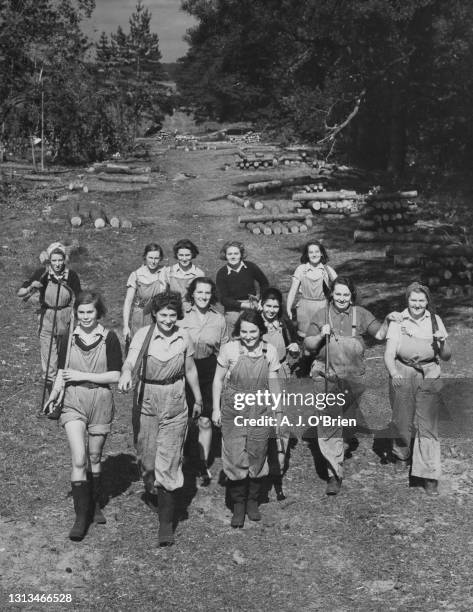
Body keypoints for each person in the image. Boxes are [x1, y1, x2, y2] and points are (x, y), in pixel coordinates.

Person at [118, 290, 203, 546]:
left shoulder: (184, 336)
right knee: (147, 459)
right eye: (163, 314)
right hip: (147, 398)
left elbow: (189, 368)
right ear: (154, 314)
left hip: (175, 398)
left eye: (172, 315)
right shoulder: (144, 335)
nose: (168, 319)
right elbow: (130, 361)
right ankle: (152, 490)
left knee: (169, 462)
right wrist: (125, 373)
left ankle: (165, 525)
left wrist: (198, 397)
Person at [304, 277, 397, 496]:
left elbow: (381, 335)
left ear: (351, 296)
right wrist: (320, 335)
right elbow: (308, 345)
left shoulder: (361, 314)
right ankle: (334, 474)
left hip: (353, 377)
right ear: (331, 295)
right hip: (325, 374)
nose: (342, 298)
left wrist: (388, 320)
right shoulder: (322, 314)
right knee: (329, 422)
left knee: (348, 419)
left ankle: (342, 444)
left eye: (346, 295)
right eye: (338, 294)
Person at [44, 292, 122, 541]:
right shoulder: (68, 336)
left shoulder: (109, 337)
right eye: (82, 312)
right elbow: (61, 370)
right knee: (79, 459)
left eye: (90, 312)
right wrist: (55, 393)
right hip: (73, 401)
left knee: (95, 456)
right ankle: (81, 517)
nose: (86, 317)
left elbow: (116, 376)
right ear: (76, 313)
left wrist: (82, 376)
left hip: (100, 399)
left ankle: (95, 502)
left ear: (98, 313)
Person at [212, 310, 281, 528]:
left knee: (257, 454)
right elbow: (217, 381)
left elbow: (274, 383)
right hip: (234, 409)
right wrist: (215, 408)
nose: (248, 336)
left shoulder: (269, 351)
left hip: (260, 409)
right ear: (238, 331)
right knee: (234, 455)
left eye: (253, 331)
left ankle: (253, 501)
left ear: (261, 331)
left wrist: (277, 412)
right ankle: (238, 505)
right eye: (244, 331)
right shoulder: (230, 349)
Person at [384, 281, 451, 495]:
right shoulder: (398, 319)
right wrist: (394, 373)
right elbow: (389, 353)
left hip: (430, 372)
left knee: (428, 424)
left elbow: (447, 356)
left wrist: (442, 343)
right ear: (407, 300)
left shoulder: (435, 320)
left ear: (427, 301)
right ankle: (401, 453)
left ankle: (429, 473)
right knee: (402, 418)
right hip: (403, 371)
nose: (417, 304)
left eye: (422, 300)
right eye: (413, 299)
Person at [180, 277, 229, 486]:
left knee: (205, 419)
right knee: (182, 417)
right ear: (192, 293)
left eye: (207, 293)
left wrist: (225, 375)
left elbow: (224, 350)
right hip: (183, 368)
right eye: (199, 292)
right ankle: (177, 461)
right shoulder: (181, 314)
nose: (203, 296)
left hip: (208, 369)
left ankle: (202, 464)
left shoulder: (219, 319)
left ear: (212, 295)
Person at [18, 242, 81, 398]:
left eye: (60, 260)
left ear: (64, 260)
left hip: (65, 320)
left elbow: (79, 298)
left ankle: (63, 396)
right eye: (54, 261)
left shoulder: (71, 275)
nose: (57, 264)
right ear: (49, 261)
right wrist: (31, 287)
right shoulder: (42, 273)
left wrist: (78, 319)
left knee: (64, 359)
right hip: (46, 319)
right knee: (49, 363)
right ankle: (51, 399)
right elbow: (20, 293)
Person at [260, 287, 300, 500]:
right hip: (257, 375)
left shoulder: (285, 325)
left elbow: (296, 351)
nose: (272, 310)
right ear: (261, 305)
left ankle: (278, 468)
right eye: (268, 305)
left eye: (276, 306)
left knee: (280, 419)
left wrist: (295, 349)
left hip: (280, 373)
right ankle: (259, 467)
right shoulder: (253, 324)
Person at [215, 241, 269, 336]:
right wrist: (243, 305)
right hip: (233, 310)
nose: (233, 256)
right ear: (225, 255)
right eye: (229, 254)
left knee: (254, 334)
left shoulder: (250, 267)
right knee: (235, 338)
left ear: (241, 254)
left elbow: (264, 283)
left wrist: (262, 301)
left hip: (252, 307)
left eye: (236, 253)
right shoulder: (222, 273)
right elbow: (223, 299)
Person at [286, 240, 337, 340]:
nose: (314, 255)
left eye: (317, 252)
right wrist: (288, 308)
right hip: (305, 309)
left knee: (322, 337)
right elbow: (293, 291)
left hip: (322, 308)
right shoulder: (301, 269)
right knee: (305, 338)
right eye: (311, 252)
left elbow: (341, 285)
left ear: (321, 253)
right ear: (307, 255)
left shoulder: (327, 270)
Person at [122, 243, 166, 341]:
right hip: (141, 316)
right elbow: (128, 302)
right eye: (150, 257)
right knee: (139, 347)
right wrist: (125, 326)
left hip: (160, 316)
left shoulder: (165, 272)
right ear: (145, 257)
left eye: (156, 258)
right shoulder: (136, 275)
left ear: (160, 258)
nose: (153, 262)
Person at [160, 239, 204, 311]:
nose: (184, 259)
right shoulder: (168, 271)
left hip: (192, 311)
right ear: (176, 255)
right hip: (173, 311)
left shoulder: (199, 274)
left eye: (187, 255)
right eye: (181, 255)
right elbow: (162, 295)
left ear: (192, 254)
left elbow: (202, 297)